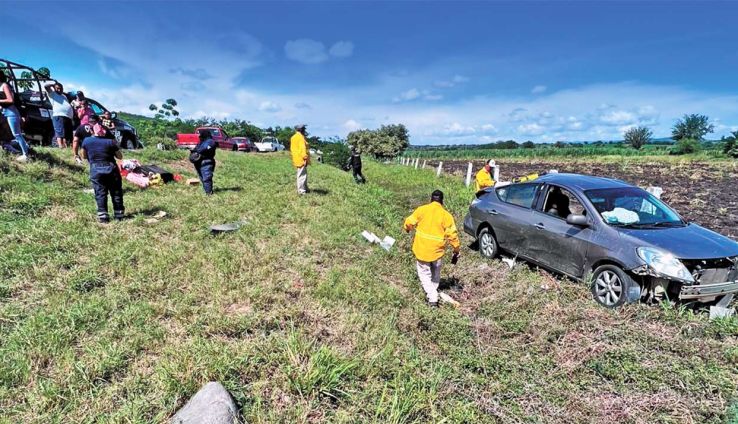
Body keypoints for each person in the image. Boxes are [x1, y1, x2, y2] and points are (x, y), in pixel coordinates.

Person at [403, 190, 461, 307]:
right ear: (442, 201)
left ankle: (433, 299)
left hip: (422, 250)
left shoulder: (422, 210)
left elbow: (409, 222)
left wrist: (407, 228)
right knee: (435, 274)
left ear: (431, 199)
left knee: (424, 275)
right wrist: (456, 249)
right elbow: (452, 235)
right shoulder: (446, 215)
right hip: (437, 252)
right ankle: (433, 290)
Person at [80, 124, 124, 222]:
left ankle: (103, 217)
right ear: (105, 132)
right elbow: (120, 156)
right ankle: (119, 215)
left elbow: (83, 156)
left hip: (96, 169)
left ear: (92, 131)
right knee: (116, 192)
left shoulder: (86, 141)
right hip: (111, 169)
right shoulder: (111, 141)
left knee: (100, 193)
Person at [0, 72, 31, 162]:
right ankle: (7, 145)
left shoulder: (4, 85)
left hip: (11, 112)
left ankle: (26, 155)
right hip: (4, 111)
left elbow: (10, 100)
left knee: (17, 134)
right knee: (5, 131)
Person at [44, 81, 73, 148]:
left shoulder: (64, 96)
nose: (59, 90)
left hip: (67, 117)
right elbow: (46, 86)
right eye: (57, 88)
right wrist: (53, 84)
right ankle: (60, 146)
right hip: (59, 115)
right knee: (59, 133)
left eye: (61, 88)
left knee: (66, 133)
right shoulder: (52, 94)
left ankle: (65, 147)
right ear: (54, 88)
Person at [191, 129, 217, 195]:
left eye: (201, 134)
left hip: (206, 162)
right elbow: (196, 149)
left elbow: (205, 148)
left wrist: (197, 150)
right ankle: (207, 191)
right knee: (202, 178)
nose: (200, 136)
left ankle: (209, 193)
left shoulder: (210, 141)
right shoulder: (201, 141)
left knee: (207, 178)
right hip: (198, 162)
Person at [290, 124, 310, 194]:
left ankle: (305, 188)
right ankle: (301, 191)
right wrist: (305, 158)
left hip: (296, 158)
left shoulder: (293, 137)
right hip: (301, 158)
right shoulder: (301, 137)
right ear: (302, 130)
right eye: (304, 129)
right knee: (302, 175)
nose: (305, 130)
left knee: (302, 174)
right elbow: (302, 148)